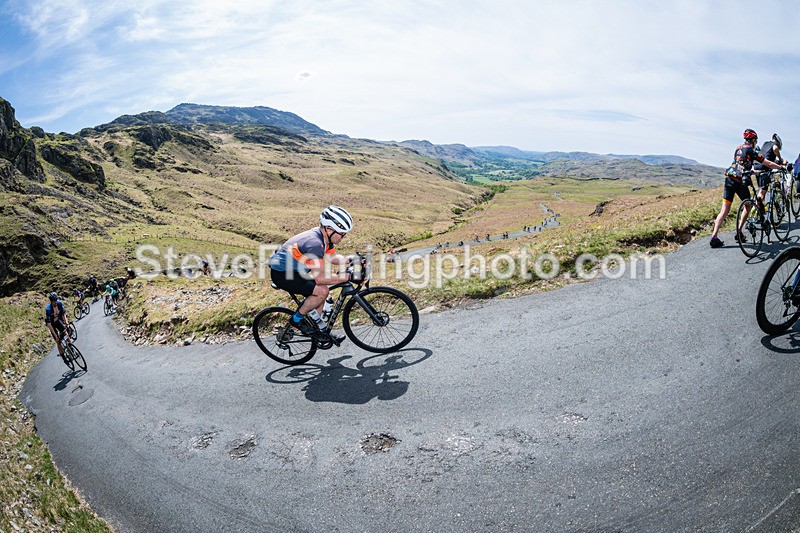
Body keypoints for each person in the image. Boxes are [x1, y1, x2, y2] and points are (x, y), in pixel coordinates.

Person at [269, 206, 357, 335]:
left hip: (296, 270)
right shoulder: (315, 244)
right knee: (322, 291)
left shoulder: (325, 238)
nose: (344, 237)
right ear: (329, 229)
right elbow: (320, 278)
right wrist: (348, 276)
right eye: (342, 233)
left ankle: (314, 329)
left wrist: (351, 260)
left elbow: (331, 257)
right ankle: (296, 320)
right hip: (282, 274)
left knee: (320, 294)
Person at [709, 129, 786, 248]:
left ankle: (714, 236)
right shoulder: (753, 150)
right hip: (739, 181)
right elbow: (768, 163)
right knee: (748, 205)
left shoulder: (738, 148)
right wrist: (780, 167)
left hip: (729, 178)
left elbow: (741, 165)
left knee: (724, 210)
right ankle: (739, 232)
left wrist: (753, 172)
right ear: (754, 140)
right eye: (756, 140)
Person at [753, 133, 787, 205]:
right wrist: (781, 160)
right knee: (762, 194)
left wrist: (778, 162)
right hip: (764, 168)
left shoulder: (765, 143)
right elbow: (775, 148)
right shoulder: (774, 146)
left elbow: (768, 158)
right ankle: (755, 211)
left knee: (761, 190)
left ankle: (759, 210)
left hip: (756, 167)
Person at [44, 292, 70, 357]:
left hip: (57, 321)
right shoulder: (48, 309)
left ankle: (70, 347)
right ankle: (62, 353)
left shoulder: (59, 303)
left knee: (66, 333)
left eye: (56, 300)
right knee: (58, 341)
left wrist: (67, 323)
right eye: (53, 301)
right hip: (52, 325)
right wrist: (56, 336)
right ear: (51, 301)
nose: (55, 302)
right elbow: (49, 325)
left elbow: (63, 314)